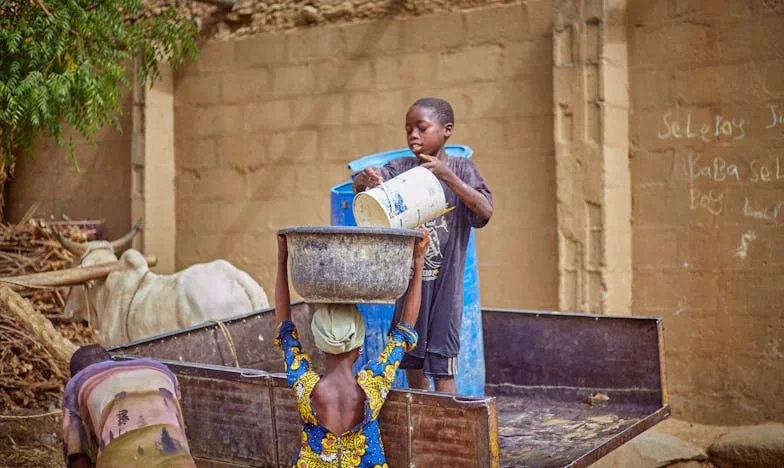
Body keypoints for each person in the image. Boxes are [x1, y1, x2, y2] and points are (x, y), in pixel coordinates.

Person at [352, 97, 494, 394]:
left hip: (446, 290)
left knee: (443, 366)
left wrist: (448, 176)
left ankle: (446, 421)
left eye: (421, 128)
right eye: (408, 129)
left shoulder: (461, 168)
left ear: (446, 130)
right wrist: (362, 181)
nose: (413, 135)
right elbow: (367, 192)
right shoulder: (401, 168)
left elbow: (485, 210)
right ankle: (420, 419)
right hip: (410, 288)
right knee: (411, 361)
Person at [274, 229, 429, 467]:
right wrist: (418, 262)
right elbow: (405, 329)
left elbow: (285, 327)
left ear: (320, 346)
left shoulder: (302, 382)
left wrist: (283, 257)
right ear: (359, 348)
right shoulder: (375, 383)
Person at [62, 345, 195, 468]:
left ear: (76, 374)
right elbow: (180, 429)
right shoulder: (162, 371)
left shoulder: (76, 385)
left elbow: (78, 458)